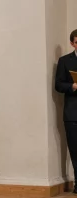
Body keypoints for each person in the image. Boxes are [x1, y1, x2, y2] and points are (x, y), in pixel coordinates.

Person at [55, 29, 77, 193]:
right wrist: (72, 86)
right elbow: (58, 85)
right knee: (75, 150)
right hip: (72, 114)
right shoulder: (64, 61)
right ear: (72, 43)